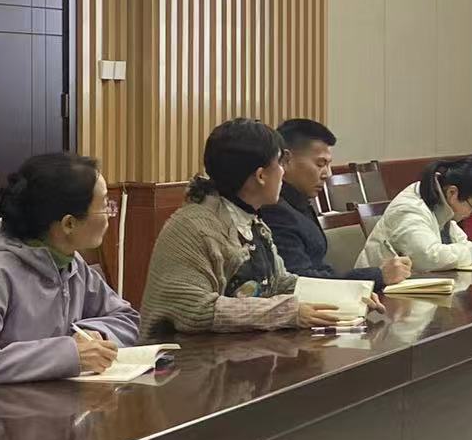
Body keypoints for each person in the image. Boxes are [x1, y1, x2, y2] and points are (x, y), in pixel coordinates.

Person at [0, 153, 140, 380]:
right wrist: (67, 354)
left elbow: (127, 319)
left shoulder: (70, 262)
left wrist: (93, 335)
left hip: (49, 396)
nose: (110, 214)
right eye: (105, 205)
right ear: (69, 223)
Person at [140, 120, 344, 336]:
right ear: (261, 176)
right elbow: (195, 309)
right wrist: (284, 312)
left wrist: (349, 294)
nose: (283, 172)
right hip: (183, 353)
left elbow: (281, 283)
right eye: (279, 164)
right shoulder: (192, 228)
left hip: (238, 347)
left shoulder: (252, 221)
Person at [261, 118, 410, 292]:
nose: (328, 174)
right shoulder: (275, 211)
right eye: (320, 164)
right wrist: (378, 275)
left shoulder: (298, 202)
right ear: (286, 160)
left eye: (328, 164)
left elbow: (319, 268)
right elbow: (301, 281)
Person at [358, 157, 472, 273]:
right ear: (453, 193)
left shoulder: (440, 201)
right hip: (377, 294)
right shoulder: (410, 208)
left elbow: (460, 247)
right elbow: (428, 257)